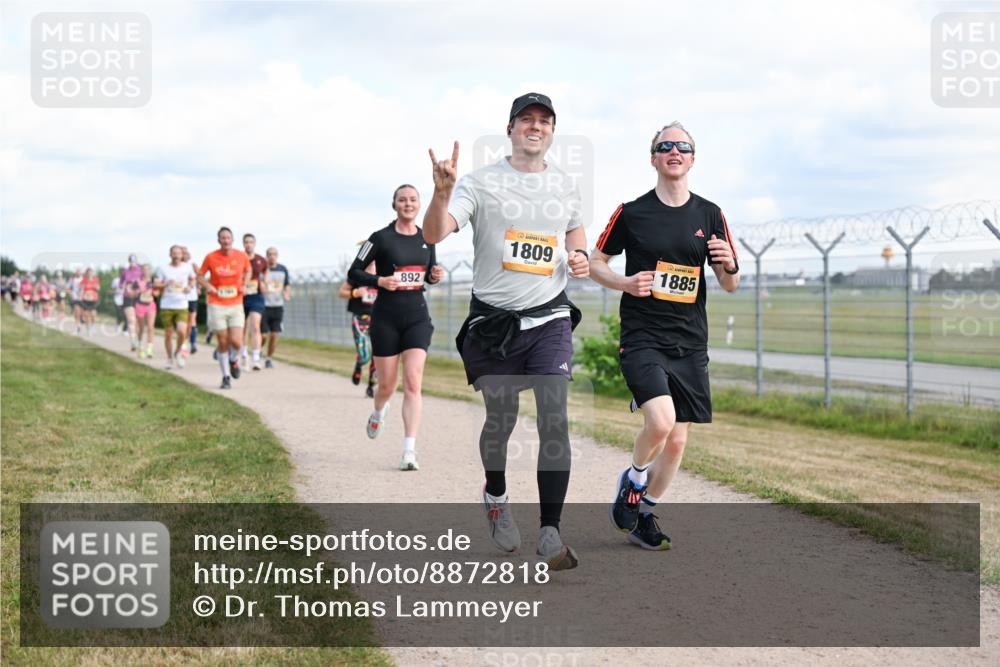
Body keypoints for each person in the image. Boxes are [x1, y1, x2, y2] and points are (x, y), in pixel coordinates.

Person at [423, 93, 589, 571]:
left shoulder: (564, 184)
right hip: (495, 324)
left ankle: (551, 532)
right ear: (511, 128)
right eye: (526, 120)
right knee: (502, 418)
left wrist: (578, 257)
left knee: (554, 418)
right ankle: (495, 493)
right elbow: (435, 235)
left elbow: (576, 237)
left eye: (544, 121)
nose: (535, 127)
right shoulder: (479, 183)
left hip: (550, 317)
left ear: (552, 131)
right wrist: (441, 192)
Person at [590, 121, 740, 550]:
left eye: (683, 146)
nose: (674, 151)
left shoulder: (710, 214)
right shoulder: (632, 212)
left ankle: (644, 513)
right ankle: (633, 482)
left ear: (693, 157)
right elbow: (597, 262)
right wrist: (624, 282)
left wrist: (729, 264)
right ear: (653, 157)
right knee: (660, 421)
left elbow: (729, 283)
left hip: (690, 341)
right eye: (665, 146)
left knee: (676, 442)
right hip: (643, 337)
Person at [349, 184, 444, 471]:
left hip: (416, 317)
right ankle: (379, 410)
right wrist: (379, 281)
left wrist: (435, 275)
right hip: (386, 320)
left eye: (413, 199)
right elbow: (353, 273)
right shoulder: (380, 238)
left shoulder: (428, 237)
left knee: (413, 382)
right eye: (402, 199)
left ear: (419, 204)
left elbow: (428, 275)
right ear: (395, 205)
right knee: (388, 386)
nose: (408, 203)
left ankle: (409, 451)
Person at [198, 227, 251, 389]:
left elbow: (248, 271)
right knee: (222, 341)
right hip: (217, 303)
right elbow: (200, 276)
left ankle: (233, 359)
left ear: (232, 240)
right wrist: (208, 285)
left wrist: (244, 284)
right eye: (223, 238)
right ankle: (226, 377)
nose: (226, 240)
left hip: (235, 303)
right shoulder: (211, 257)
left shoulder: (241, 256)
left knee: (236, 341)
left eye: (228, 238)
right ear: (219, 240)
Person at [339, 252, 378, 396]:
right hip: (360, 318)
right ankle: (359, 364)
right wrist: (355, 293)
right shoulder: (356, 274)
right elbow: (341, 292)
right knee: (365, 355)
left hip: (380, 319)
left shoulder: (384, 273)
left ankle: (371, 387)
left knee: (378, 355)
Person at [156, 245, 197, 370]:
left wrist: (190, 287)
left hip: (182, 304)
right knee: (168, 333)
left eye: (178, 253)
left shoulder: (187, 267)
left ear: (182, 255)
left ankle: (178, 351)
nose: (176, 255)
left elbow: (193, 279)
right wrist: (165, 283)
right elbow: (156, 284)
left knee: (182, 331)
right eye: (174, 253)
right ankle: (169, 359)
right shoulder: (163, 268)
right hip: (166, 305)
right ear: (170, 254)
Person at [240, 233, 269, 371]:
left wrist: (264, 282)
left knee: (256, 326)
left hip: (256, 296)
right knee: (243, 328)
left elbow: (266, 273)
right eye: (246, 242)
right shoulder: (238, 259)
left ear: (254, 244)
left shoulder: (261, 260)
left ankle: (256, 358)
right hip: (241, 296)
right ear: (243, 244)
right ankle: (244, 355)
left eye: (251, 242)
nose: (248, 244)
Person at [261, 246, 291, 369]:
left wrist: (286, 293)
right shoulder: (263, 270)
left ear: (277, 256)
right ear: (266, 256)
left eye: (274, 254)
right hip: (264, 306)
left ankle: (269, 358)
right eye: (269, 254)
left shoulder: (283, 269)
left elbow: (287, 285)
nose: (272, 256)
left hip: (278, 306)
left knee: (274, 335)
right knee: (263, 335)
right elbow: (259, 283)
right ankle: (259, 349)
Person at [134, 265, 159, 358]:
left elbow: (157, 293)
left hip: (150, 305)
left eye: (148, 269)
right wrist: (139, 291)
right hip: (139, 305)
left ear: (150, 271)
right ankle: (140, 346)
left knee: (150, 327)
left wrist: (153, 292)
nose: (146, 271)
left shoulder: (154, 281)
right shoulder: (137, 281)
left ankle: (149, 348)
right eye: (144, 270)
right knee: (141, 328)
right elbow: (132, 293)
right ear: (141, 271)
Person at [121, 255, 143, 350]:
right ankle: (133, 341)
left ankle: (137, 340)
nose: (132, 262)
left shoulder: (141, 270)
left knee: (138, 321)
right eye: (131, 260)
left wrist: (138, 288)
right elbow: (121, 284)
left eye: (134, 260)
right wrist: (126, 287)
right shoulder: (125, 271)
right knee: (131, 320)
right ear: (128, 260)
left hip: (139, 297)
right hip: (128, 296)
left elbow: (145, 282)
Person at [182, 246, 200, 355]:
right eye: (181, 253)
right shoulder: (176, 266)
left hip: (192, 297)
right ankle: (184, 342)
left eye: (185, 253)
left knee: (192, 321)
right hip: (181, 298)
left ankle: (193, 343)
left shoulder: (192, 264)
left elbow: (199, 276)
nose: (183, 255)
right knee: (184, 322)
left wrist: (198, 287)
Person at [79, 267, 101, 335]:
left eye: (91, 273)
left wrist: (95, 286)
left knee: (93, 314)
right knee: (87, 315)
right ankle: (88, 330)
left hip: (93, 298)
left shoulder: (96, 279)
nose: (89, 274)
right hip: (85, 298)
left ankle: (93, 325)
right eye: (88, 273)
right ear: (86, 273)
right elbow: (80, 287)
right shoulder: (84, 280)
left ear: (92, 273)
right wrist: (83, 287)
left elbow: (98, 288)